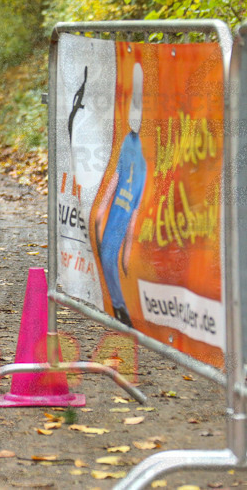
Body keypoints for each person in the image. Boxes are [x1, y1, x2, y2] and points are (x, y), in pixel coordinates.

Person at [91, 62, 146, 329]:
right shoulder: (127, 143)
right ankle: (118, 308)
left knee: (113, 262)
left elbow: (134, 214)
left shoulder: (142, 162)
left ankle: (122, 310)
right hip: (113, 220)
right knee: (108, 260)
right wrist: (102, 210)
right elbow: (116, 177)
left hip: (120, 222)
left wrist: (128, 249)